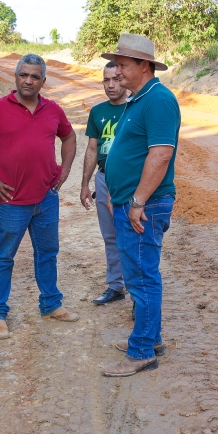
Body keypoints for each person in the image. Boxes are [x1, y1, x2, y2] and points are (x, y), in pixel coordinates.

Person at [0, 54, 79, 339]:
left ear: (43, 81)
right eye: (23, 75)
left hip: (46, 199)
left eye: (35, 76)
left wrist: (64, 171)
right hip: (11, 202)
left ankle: (51, 304)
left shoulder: (53, 110)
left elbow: (70, 137)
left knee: (48, 254)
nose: (28, 80)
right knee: (4, 257)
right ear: (15, 77)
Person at [99, 33, 181, 377]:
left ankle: (142, 351)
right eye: (115, 63)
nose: (116, 71)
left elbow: (161, 154)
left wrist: (135, 202)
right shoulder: (139, 99)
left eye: (122, 64)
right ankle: (152, 338)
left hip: (145, 206)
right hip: (129, 203)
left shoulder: (159, 100)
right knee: (140, 273)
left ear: (143, 66)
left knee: (142, 278)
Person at [80, 61, 129, 305]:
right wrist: (85, 184)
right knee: (110, 236)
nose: (111, 85)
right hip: (103, 178)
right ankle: (116, 286)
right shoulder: (97, 112)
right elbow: (91, 149)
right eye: (106, 80)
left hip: (129, 181)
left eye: (116, 79)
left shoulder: (135, 108)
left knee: (132, 236)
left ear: (125, 79)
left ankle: (139, 296)